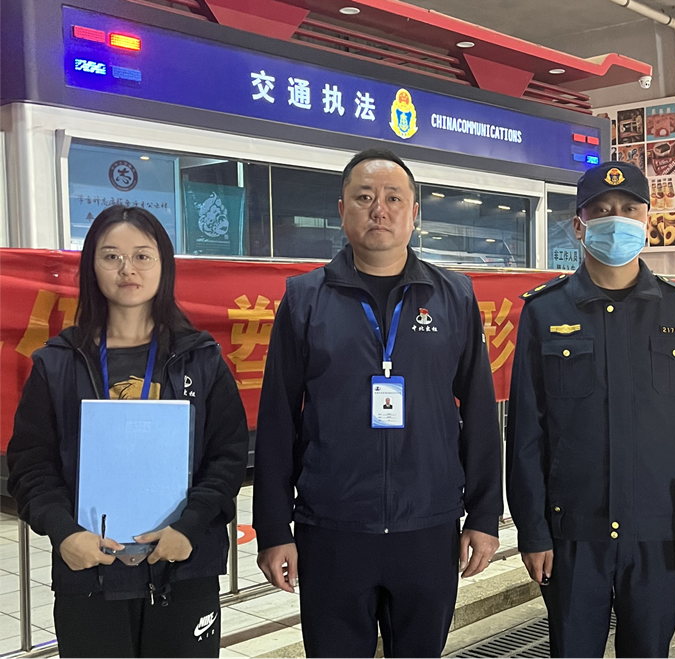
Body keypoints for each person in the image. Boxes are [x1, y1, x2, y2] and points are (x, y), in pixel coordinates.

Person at [253, 148, 502, 658]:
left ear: (414, 213)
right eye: (364, 197)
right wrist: (273, 528)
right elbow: (278, 418)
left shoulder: (454, 296)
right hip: (333, 526)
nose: (379, 210)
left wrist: (483, 515)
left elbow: (480, 411)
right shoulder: (304, 299)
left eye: (393, 198)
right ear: (342, 210)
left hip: (427, 525)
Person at [506, 161, 675, 658]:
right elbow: (526, 434)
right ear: (579, 224)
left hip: (659, 533)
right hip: (572, 534)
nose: (617, 219)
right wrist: (533, 531)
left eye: (629, 209)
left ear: (648, 221)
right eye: (602, 210)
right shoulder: (545, 311)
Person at [7, 206, 249, 659]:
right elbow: (30, 466)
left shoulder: (200, 358)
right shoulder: (58, 363)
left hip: (182, 566)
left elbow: (228, 457)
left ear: (164, 265)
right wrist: (64, 533)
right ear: (91, 267)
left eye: (142, 256)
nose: (127, 269)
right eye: (111, 256)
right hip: (90, 573)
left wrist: (190, 527)